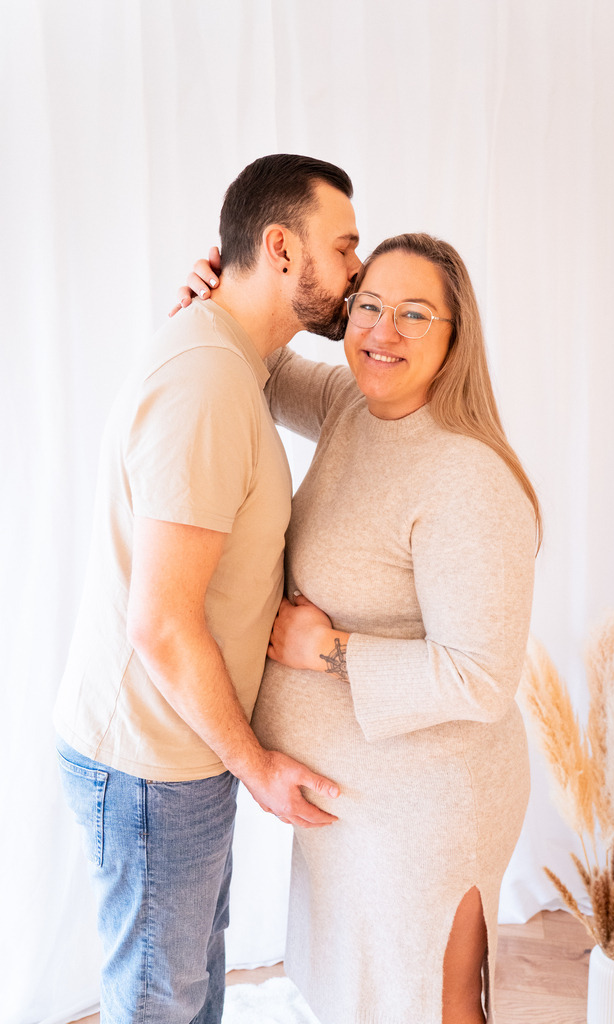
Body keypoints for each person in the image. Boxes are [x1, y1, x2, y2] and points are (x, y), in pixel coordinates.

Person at [185, 232, 541, 1023]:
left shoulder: (465, 476)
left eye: (415, 314)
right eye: (369, 306)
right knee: (358, 995)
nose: (382, 332)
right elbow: (265, 364)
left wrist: (330, 650)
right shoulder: (355, 404)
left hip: (429, 803)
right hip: (356, 799)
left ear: (456, 338)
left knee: (423, 999)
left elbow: (481, 677)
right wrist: (224, 291)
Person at [53, 153, 362, 1024]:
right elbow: (160, 623)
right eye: (343, 248)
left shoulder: (231, 359)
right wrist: (254, 764)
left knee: (186, 987)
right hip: (151, 763)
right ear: (280, 247)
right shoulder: (207, 383)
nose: (355, 272)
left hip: (172, 758)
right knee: (161, 999)